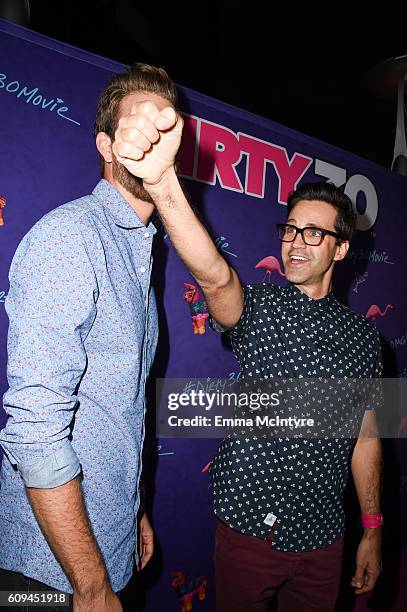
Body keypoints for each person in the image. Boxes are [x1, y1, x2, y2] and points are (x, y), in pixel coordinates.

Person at [106, 101, 383, 611]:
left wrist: (371, 528)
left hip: (324, 539)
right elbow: (216, 276)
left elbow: (366, 436)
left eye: (314, 233)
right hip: (250, 530)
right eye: (291, 229)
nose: (297, 243)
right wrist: (165, 186)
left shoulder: (365, 340)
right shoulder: (264, 305)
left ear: (341, 249)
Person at [0, 63, 179, 612]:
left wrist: (130, 510)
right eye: (135, 125)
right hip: (48, 572)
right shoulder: (71, 238)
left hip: (106, 538)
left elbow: (110, 410)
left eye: (163, 127)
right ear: (106, 144)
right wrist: (91, 584)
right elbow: (35, 431)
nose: (150, 138)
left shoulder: (140, 251)